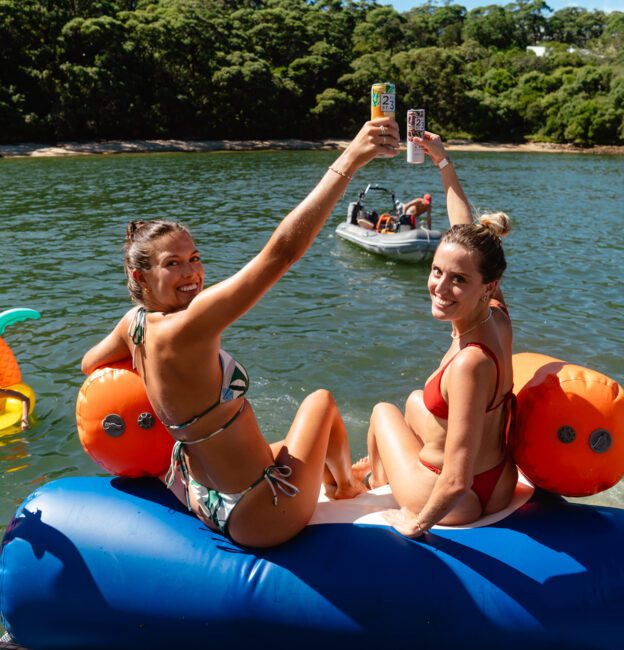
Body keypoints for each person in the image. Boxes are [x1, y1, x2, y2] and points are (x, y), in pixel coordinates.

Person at [81, 118, 400, 548]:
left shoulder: (134, 324)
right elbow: (281, 253)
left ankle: (339, 476)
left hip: (204, 497)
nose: (192, 273)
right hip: (261, 513)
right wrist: (351, 159)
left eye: (194, 258)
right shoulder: (188, 326)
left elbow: (90, 364)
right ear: (141, 275)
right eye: (172, 264)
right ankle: (346, 487)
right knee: (321, 404)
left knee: (292, 440)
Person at [353, 132, 518, 538]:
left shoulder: (470, 363)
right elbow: (467, 231)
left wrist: (415, 525)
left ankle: (375, 482)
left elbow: (456, 479)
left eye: (457, 280)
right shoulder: (496, 315)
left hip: (460, 500)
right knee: (414, 401)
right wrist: (444, 163)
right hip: (499, 481)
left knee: (383, 412)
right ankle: (382, 468)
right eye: (437, 271)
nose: (440, 288)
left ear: (486, 286)